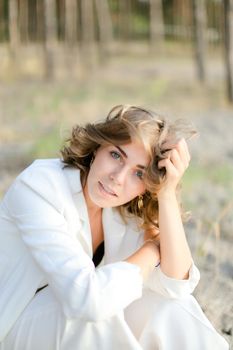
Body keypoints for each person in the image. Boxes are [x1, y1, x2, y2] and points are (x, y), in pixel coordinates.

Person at [0, 105, 229, 350]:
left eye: (139, 174)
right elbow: (87, 300)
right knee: (96, 314)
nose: (118, 178)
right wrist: (152, 250)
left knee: (168, 306)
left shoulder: (123, 209)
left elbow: (176, 285)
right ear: (99, 146)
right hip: (15, 325)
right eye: (116, 156)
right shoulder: (40, 186)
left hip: (67, 328)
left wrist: (167, 191)